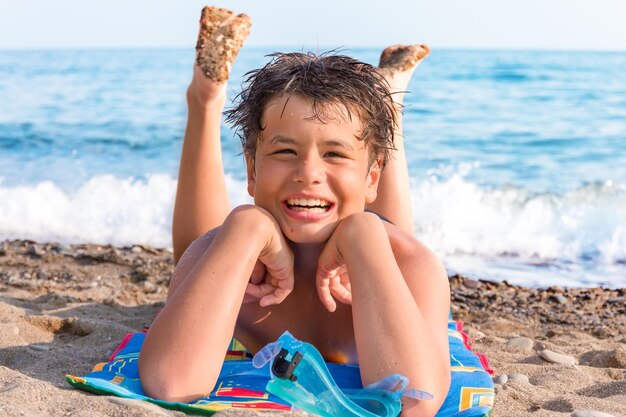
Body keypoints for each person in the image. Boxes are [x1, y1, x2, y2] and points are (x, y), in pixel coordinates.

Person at [138, 10, 451, 417]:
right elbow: (171, 385)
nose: (308, 174)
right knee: (201, 247)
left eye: (333, 155)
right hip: (258, 233)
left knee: (381, 222)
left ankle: (388, 103)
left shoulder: (415, 267)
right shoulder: (219, 250)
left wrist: (362, 236)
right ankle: (205, 99)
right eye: (285, 152)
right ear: (251, 172)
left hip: (377, 229)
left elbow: (413, 405)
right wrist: (246, 227)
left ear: (376, 179)